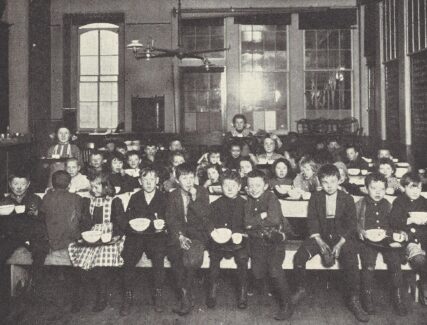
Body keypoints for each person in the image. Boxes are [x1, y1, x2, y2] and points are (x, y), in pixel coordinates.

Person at [291, 164, 368, 322]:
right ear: (320, 182)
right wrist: (319, 240)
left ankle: (353, 298)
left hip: (341, 236)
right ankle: (300, 289)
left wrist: (340, 243)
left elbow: (351, 224)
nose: (329, 186)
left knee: (351, 260)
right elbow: (312, 221)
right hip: (320, 235)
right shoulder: (316, 197)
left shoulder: (346, 198)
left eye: (333, 181)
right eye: (325, 182)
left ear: (339, 181)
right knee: (299, 257)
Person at [68, 172, 126, 312]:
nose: (93, 190)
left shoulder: (115, 201)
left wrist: (116, 235)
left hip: (110, 237)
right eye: (92, 187)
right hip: (92, 236)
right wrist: (85, 235)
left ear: (106, 187)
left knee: (100, 265)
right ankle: (79, 298)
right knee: (81, 264)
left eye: (97, 187)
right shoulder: (88, 201)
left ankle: (102, 297)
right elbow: (84, 222)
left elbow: (121, 222)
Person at [356, 173, 407, 316]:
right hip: (367, 241)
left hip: (385, 241)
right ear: (366, 188)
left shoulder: (388, 204)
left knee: (395, 262)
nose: (378, 192)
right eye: (374, 188)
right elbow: (353, 221)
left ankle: (398, 298)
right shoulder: (360, 204)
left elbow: (394, 223)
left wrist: (398, 233)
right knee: (368, 265)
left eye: (382, 189)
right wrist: (360, 231)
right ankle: (367, 297)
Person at [245, 169, 293, 321]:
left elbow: (274, 220)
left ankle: (287, 304)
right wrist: (262, 215)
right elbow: (246, 222)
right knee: (257, 271)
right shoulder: (248, 200)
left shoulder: (271, 198)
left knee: (274, 270)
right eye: (250, 185)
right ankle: (266, 291)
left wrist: (255, 223)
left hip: (275, 241)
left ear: (265, 186)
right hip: (258, 241)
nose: (254, 189)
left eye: (258, 185)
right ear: (246, 187)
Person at [120, 167, 168, 316]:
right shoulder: (135, 197)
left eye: (152, 180)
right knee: (128, 257)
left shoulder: (163, 197)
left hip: (156, 235)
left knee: (159, 257)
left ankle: (158, 293)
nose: (149, 183)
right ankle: (128, 294)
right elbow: (128, 219)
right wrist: (132, 226)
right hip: (136, 235)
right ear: (140, 181)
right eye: (145, 180)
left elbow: (169, 219)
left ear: (157, 181)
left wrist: (163, 225)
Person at [165, 163, 210, 316]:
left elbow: (204, 217)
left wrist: (195, 198)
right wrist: (180, 236)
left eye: (192, 177)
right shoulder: (173, 195)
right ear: (177, 180)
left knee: (191, 261)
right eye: (184, 178)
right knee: (176, 258)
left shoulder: (202, 192)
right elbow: (171, 219)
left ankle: (187, 293)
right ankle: (185, 296)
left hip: (197, 234)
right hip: (179, 234)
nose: (189, 181)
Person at [39, 170, 83, 312]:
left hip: (52, 241)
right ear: (70, 184)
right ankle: (76, 301)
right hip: (70, 243)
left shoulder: (46, 197)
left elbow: (43, 218)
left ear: (52, 184)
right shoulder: (76, 198)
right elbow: (79, 220)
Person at [0, 170, 49, 296]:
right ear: (10, 185)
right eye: (15, 183)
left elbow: (43, 218)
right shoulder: (5, 201)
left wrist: (35, 213)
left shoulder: (34, 199)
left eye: (22, 184)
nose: (19, 187)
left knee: (40, 249)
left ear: (28, 184)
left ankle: (35, 284)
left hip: (31, 234)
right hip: (12, 235)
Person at [206, 171, 249, 309]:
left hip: (238, 240)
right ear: (221, 187)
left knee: (242, 258)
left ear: (239, 187)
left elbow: (249, 224)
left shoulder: (245, 204)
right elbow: (208, 221)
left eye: (233, 185)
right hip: (219, 240)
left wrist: (242, 234)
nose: (230, 189)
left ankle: (243, 292)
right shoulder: (216, 204)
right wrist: (213, 231)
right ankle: (212, 290)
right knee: (214, 257)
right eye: (226, 185)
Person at [390, 172, 427, 305]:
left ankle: (423, 283)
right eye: (412, 187)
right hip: (409, 240)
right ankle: (424, 284)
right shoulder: (399, 201)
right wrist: (409, 220)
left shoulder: (424, 202)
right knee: (420, 259)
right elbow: (393, 222)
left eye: (418, 187)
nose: (415, 191)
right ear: (404, 188)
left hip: (424, 239)